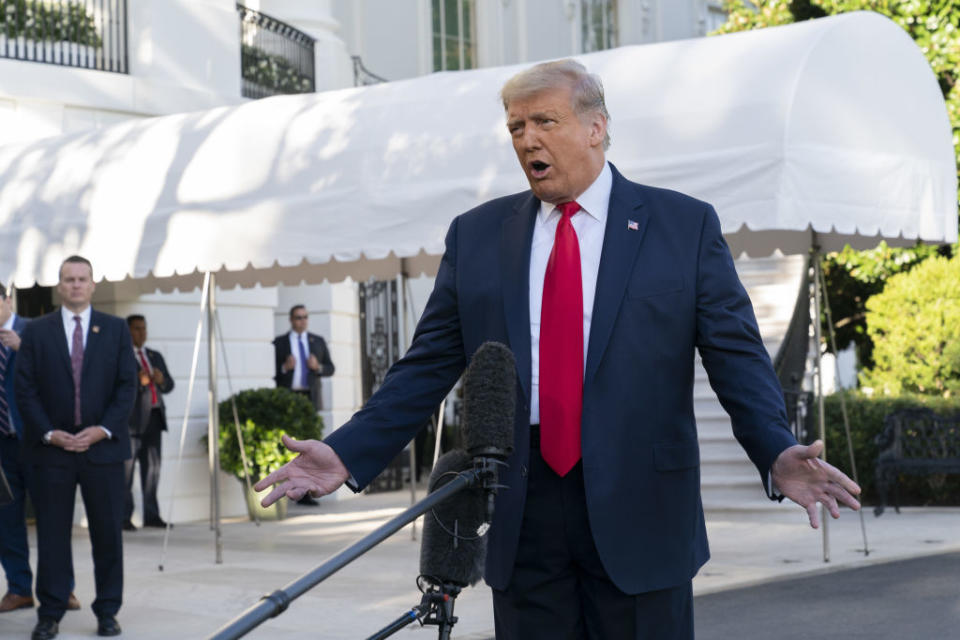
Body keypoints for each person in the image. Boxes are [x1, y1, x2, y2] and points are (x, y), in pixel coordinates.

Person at [256, 60, 861, 638]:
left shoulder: (683, 225)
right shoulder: (478, 235)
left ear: (597, 128)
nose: (526, 139)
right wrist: (347, 453)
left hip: (642, 506)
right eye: (515, 126)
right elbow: (427, 365)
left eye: (545, 121)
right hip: (524, 504)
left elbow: (737, 357)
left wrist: (776, 448)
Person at [15, 256, 136, 639]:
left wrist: (103, 429)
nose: (76, 285)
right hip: (53, 451)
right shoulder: (37, 330)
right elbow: (24, 388)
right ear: (59, 285)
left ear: (93, 284)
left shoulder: (116, 330)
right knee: (51, 535)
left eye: (82, 279)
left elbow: (127, 388)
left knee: (107, 536)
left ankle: (107, 611)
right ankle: (49, 613)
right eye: (69, 279)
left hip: (103, 450)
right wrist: (49, 433)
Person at [272, 305, 335, 506]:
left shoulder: (317, 341)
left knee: (310, 443)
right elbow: (271, 371)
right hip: (289, 398)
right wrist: (284, 368)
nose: (302, 321)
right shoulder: (280, 343)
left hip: (310, 397)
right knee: (290, 441)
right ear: (291, 320)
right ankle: (287, 487)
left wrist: (319, 367)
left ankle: (306, 492)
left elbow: (330, 368)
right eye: (299, 317)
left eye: (305, 317)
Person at [123, 315, 174, 531]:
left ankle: (152, 515)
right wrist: (138, 381)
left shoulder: (154, 355)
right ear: (127, 331)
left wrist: (161, 380)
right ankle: (124, 516)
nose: (142, 333)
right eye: (136, 329)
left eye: (144, 328)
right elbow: (116, 386)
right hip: (131, 423)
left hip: (154, 418)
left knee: (153, 469)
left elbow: (169, 385)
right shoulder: (121, 356)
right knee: (126, 472)